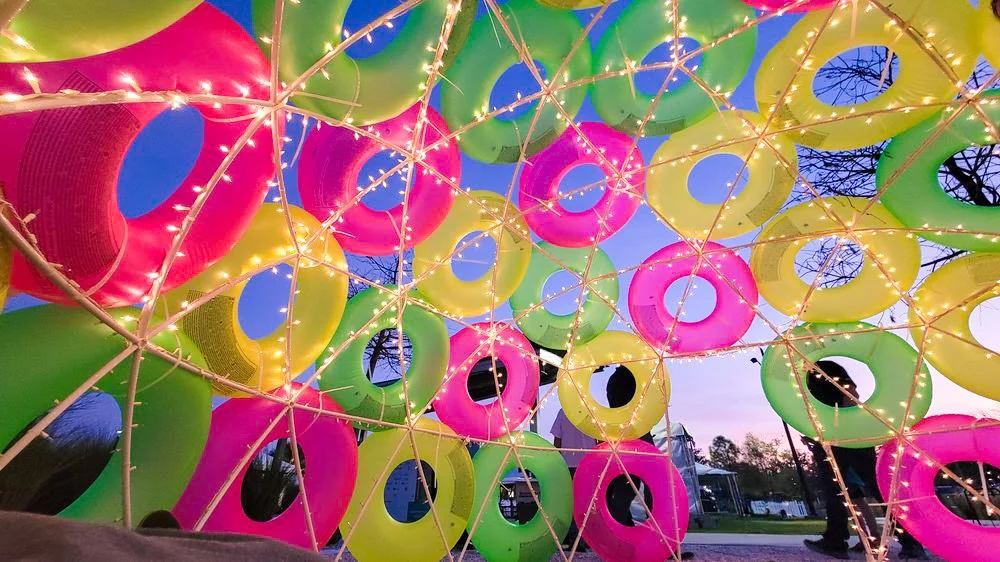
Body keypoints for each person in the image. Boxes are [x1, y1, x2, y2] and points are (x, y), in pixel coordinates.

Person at [801, 360, 928, 560]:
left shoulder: (826, 368)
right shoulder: (803, 378)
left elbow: (852, 395)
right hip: (833, 437)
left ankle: (910, 543)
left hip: (847, 436)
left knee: (872, 487)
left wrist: (844, 425)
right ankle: (836, 541)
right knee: (842, 491)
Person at [550, 400, 598, 552]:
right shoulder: (591, 412)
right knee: (586, 503)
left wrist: (556, 463)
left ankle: (574, 539)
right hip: (588, 464)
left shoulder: (563, 412)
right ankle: (586, 539)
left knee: (571, 504)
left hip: (568, 464)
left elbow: (557, 442)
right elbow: (598, 440)